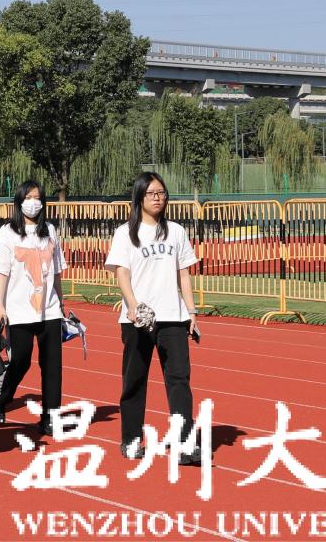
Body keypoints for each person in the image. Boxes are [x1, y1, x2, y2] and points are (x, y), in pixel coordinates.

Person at [107, 172, 202, 465]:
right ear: (139, 198)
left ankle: (186, 443)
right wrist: (133, 305)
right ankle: (131, 439)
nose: (157, 198)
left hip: (173, 317)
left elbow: (184, 274)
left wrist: (192, 312)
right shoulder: (125, 233)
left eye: (161, 193)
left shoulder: (176, 231)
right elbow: (122, 273)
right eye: (151, 193)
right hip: (138, 319)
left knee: (179, 380)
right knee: (135, 380)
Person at [0, 180, 65, 434]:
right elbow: (2, 272)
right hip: (19, 309)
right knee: (20, 360)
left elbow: (57, 271)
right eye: (28, 197)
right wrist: (0, 306)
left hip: (49, 309)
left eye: (38, 198)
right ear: (19, 202)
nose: (33, 202)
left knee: (52, 365)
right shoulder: (8, 232)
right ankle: (0, 399)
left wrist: (61, 302)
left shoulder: (50, 230)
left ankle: (50, 416)